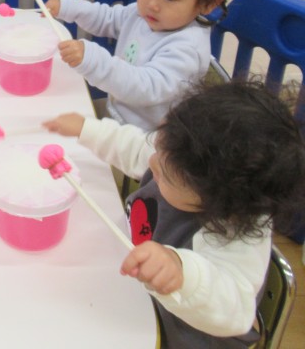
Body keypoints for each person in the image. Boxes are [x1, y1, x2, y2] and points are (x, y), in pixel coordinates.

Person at [43, 80, 305, 348]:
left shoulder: (235, 235)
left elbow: (235, 311)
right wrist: (87, 129)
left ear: (217, 202)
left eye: (164, 174)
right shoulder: (180, 155)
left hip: (181, 334)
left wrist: (181, 274)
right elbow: (136, 147)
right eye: (159, 149)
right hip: (135, 296)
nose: (152, 162)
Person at [45, 0, 233, 130]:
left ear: (208, 3)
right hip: (118, 116)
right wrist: (69, 7)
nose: (152, 4)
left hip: (149, 139)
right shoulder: (142, 15)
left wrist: (93, 60)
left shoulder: (187, 49)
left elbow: (146, 87)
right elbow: (107, 17)